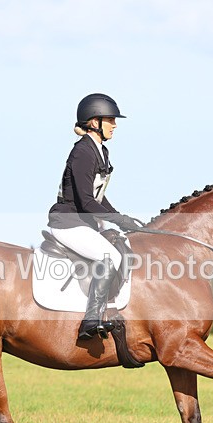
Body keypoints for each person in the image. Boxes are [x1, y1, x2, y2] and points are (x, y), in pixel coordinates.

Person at [48, 93, 143, 340]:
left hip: (83, 223)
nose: (115, 124)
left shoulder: (101, 152)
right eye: (110, 119)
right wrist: (117, 219)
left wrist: (122, 218)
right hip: (68, 222)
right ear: (94, 122)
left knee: (120, 245)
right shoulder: (83, 152)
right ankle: (91, 320)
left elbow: (97, 198)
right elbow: (85, 201)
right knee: (108, 255)